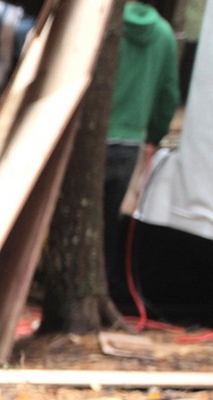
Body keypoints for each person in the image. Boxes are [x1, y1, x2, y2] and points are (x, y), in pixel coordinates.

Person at [104, 0, 180, 308]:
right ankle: (106, 291)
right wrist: (154, 135)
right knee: (110, 222)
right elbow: (169, 94)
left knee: (83, 221)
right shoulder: (163, 34)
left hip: (95, 139)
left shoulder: (107, 23)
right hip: (130, 144)